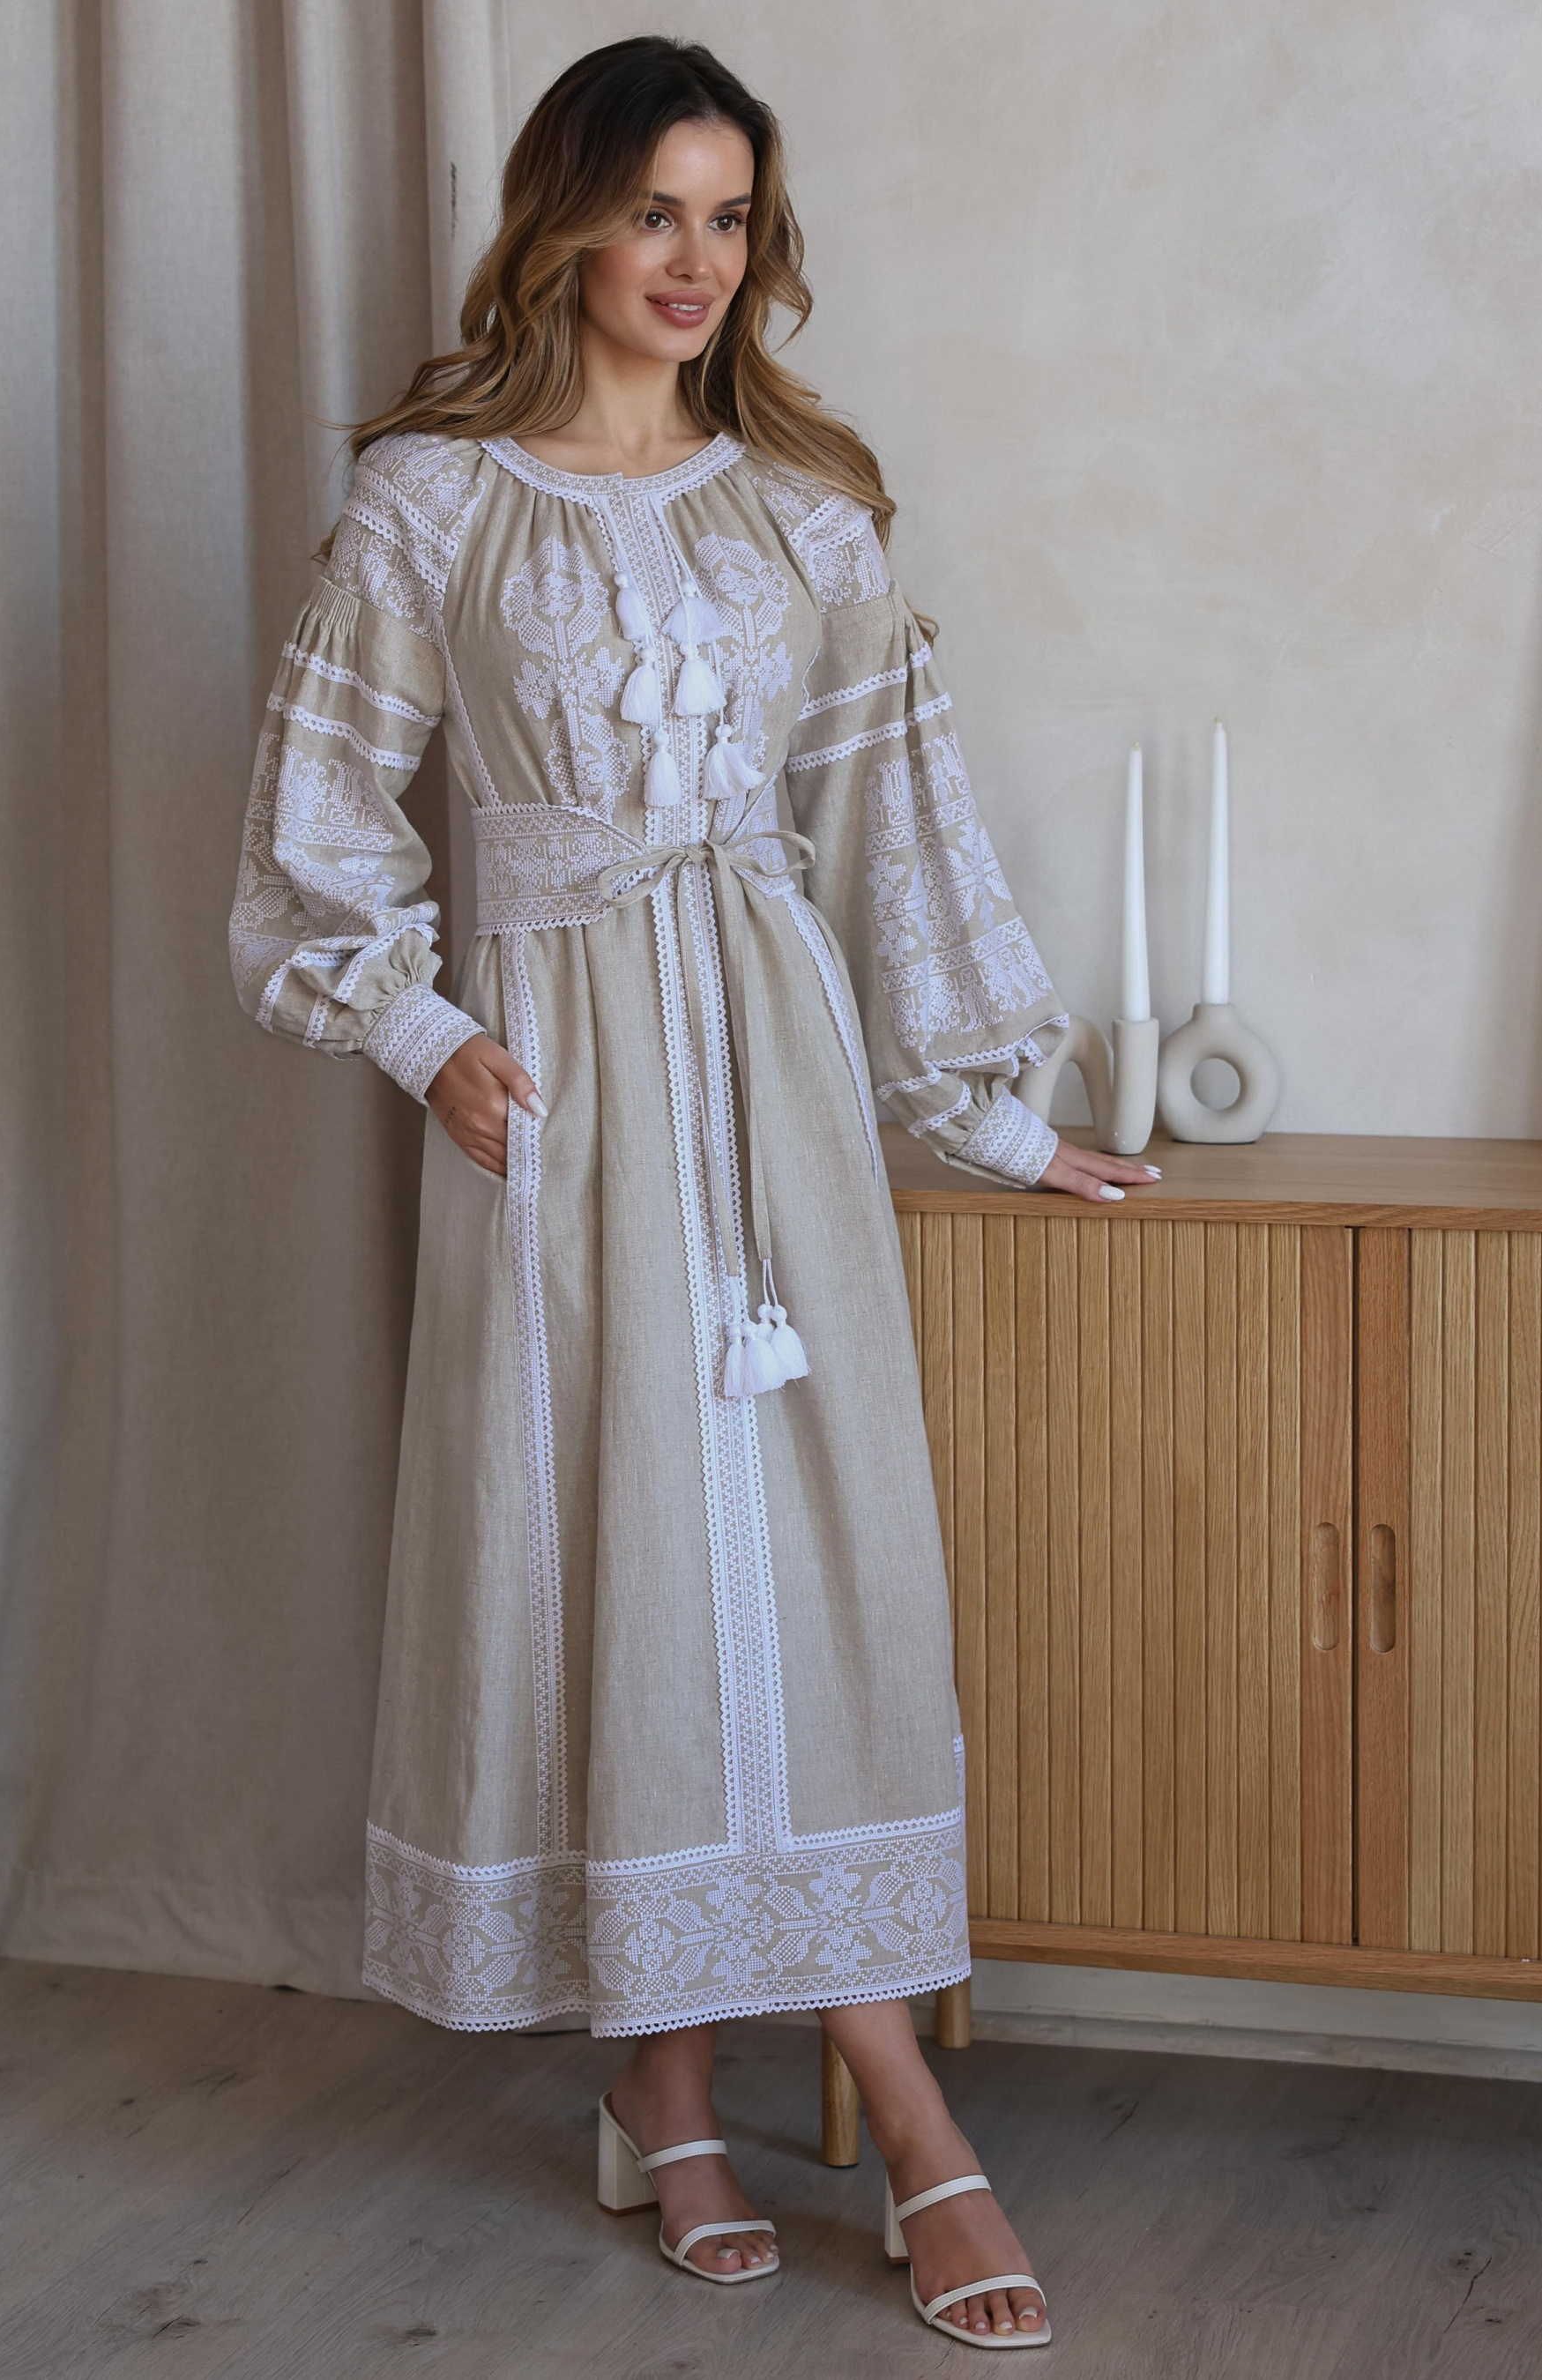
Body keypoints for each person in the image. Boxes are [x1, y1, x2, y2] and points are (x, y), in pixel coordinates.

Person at [231, 33, 1151, 2346]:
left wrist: (986, 1107)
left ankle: (826, 2092)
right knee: (610, 1559)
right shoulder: (432, 508)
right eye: (654, 209)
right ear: (564, 220)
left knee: (811, 1571)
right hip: (558, 1094)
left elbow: (897, 825)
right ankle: (697, 2083)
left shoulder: (803, 516)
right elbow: (313, 824)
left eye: (729, 218)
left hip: (772, 1080)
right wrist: (427, 1041)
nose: (694, 259)